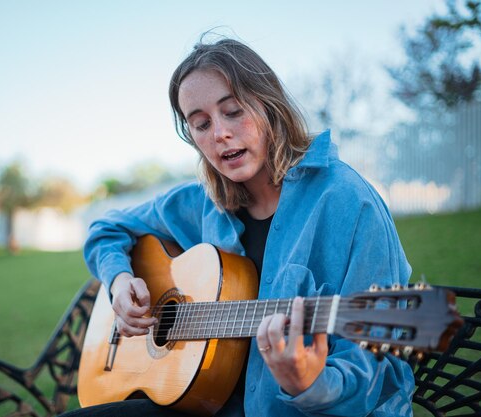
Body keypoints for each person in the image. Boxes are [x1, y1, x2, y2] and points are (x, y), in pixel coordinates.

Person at [68, 36, 414, 417]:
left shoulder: (348, 201)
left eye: (232, 111)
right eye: (200, 124)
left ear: (269, 105)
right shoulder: (201, 204)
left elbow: (382, 366)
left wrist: (311, 384)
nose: (219, 134)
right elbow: (106, 228)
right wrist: (119, 281)